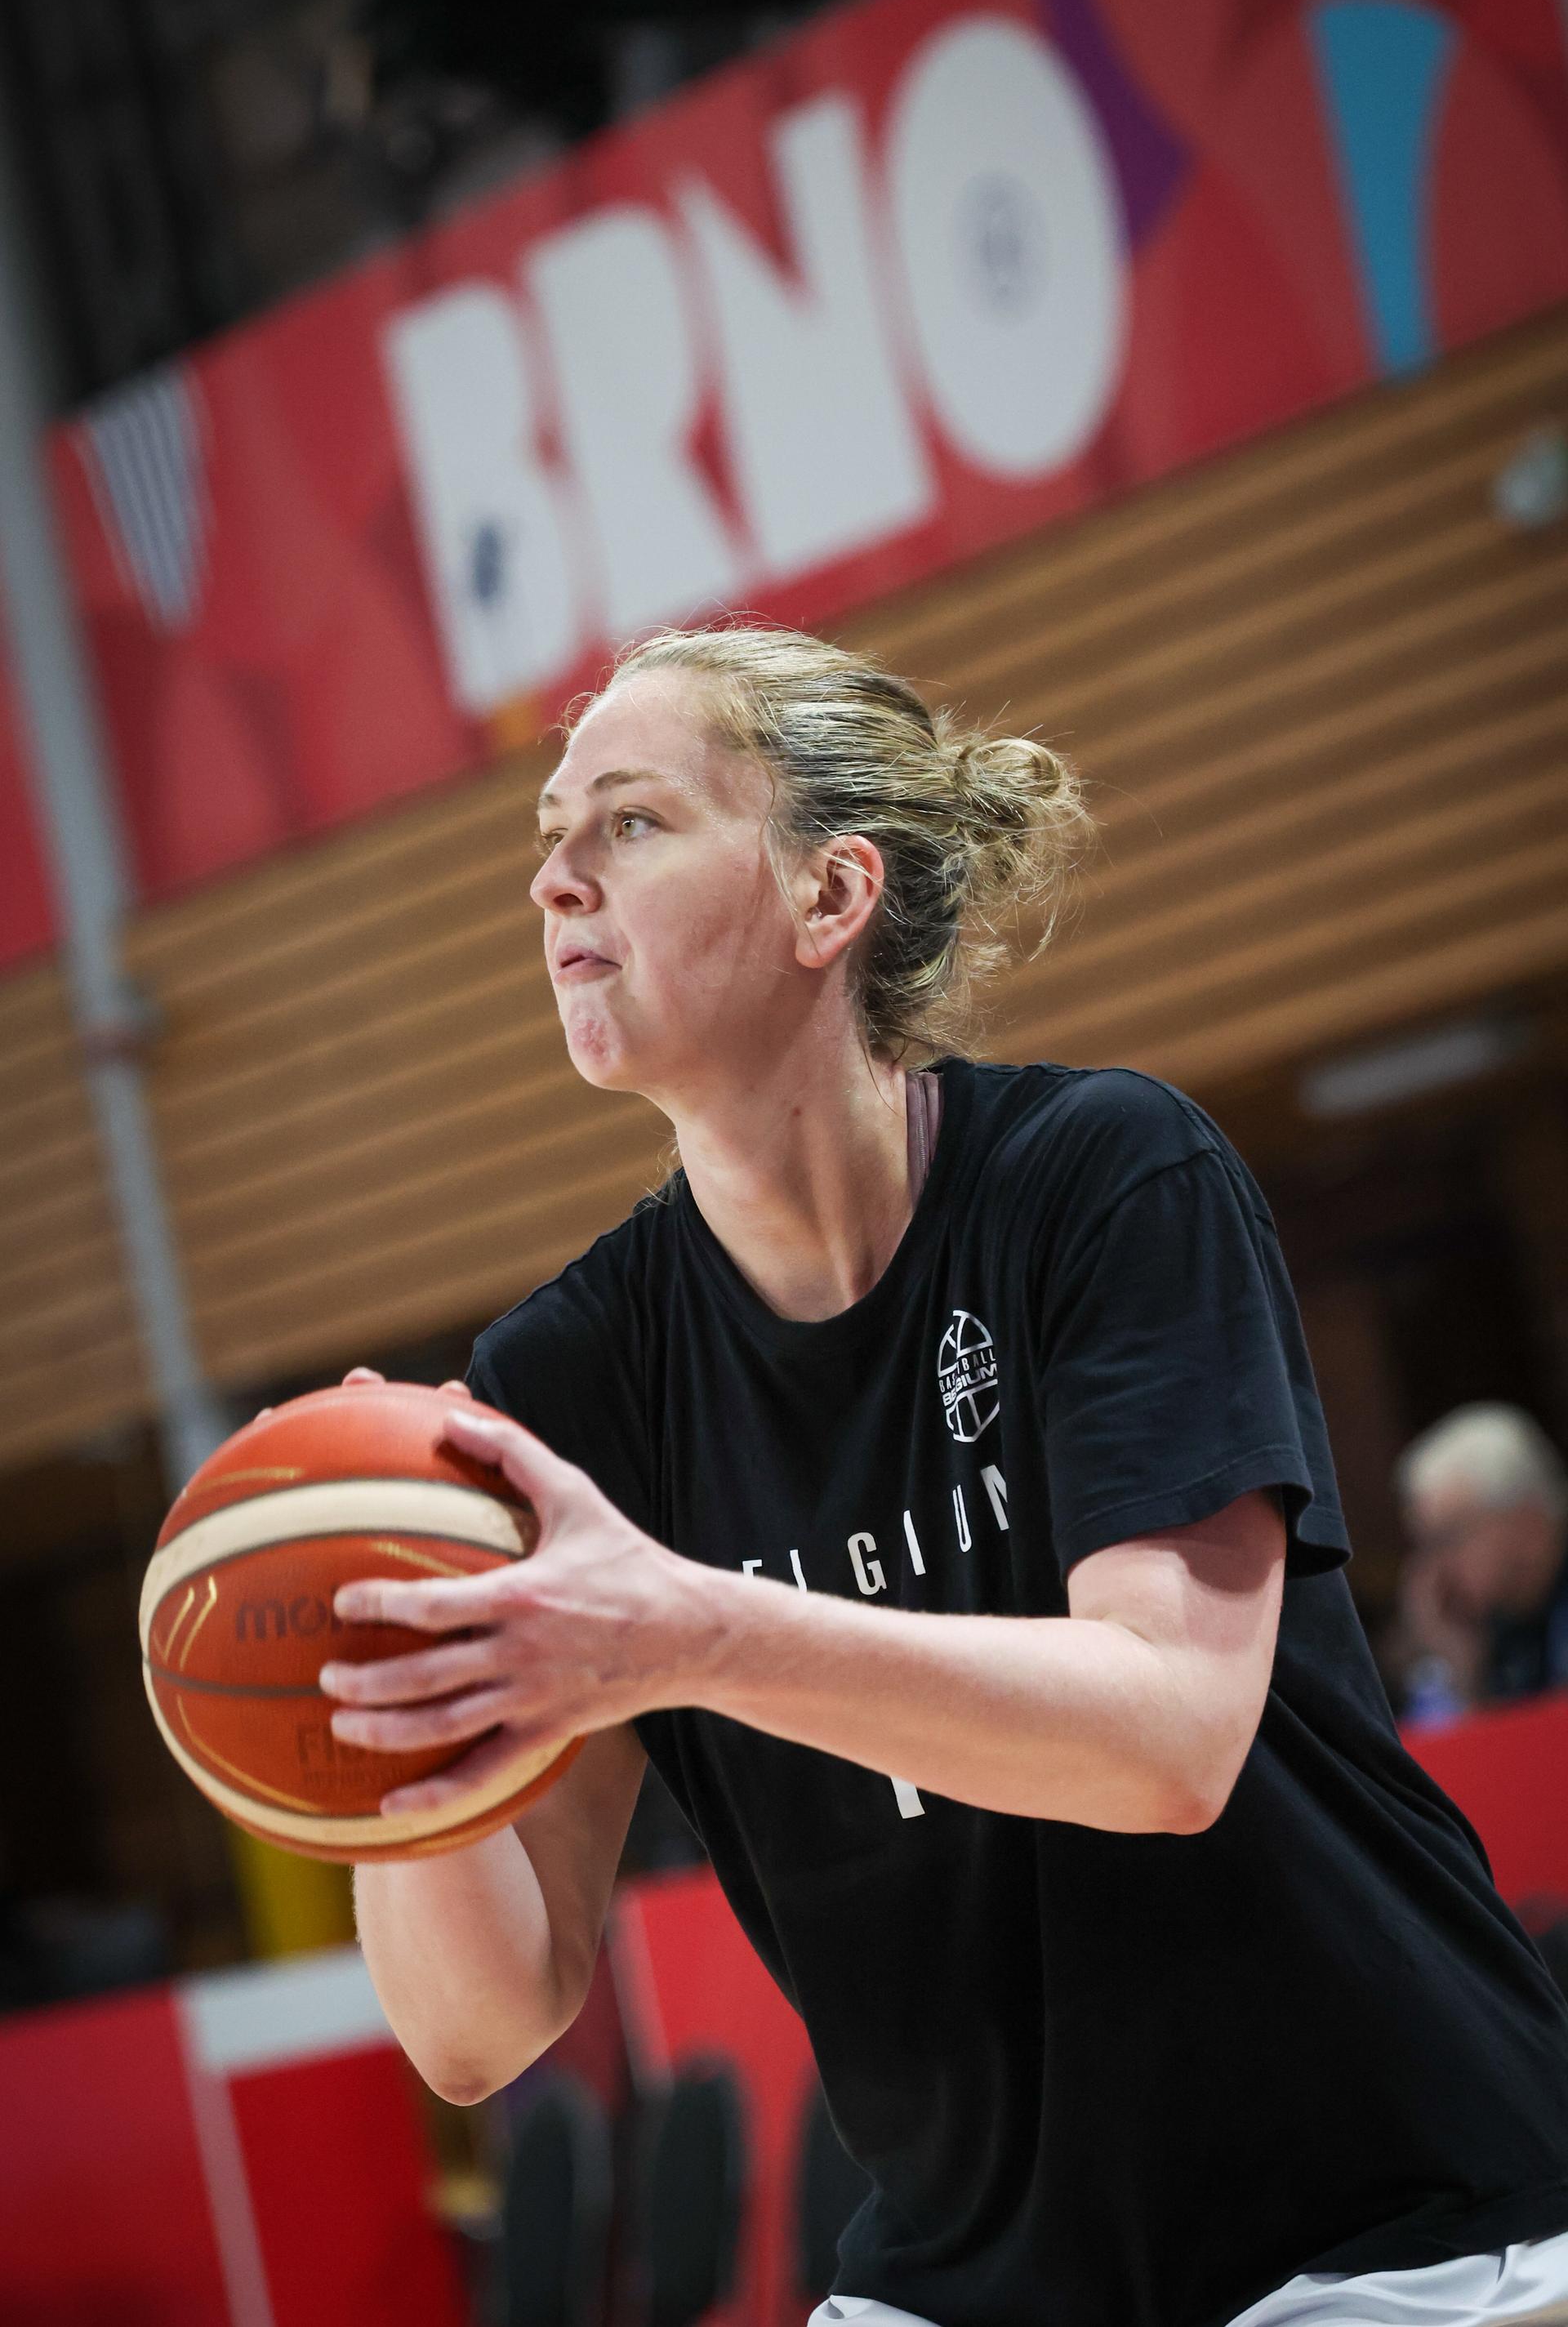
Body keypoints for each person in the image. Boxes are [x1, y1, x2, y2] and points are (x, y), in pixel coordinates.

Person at [318, 626, 1568, 2327]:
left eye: (632, 822)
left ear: (831, 894)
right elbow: (481, 2027)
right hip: (973, 2277)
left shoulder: (1105, 1180)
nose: (556, 880)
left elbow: (1168, 1736)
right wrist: (385, 1723)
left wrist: (688, 1628)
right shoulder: (572, 1382)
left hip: (1381, 2223)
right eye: (551, 836)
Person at [1392, 1402, 1568, 1716]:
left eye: (1449, 1539)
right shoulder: (1495, 1626)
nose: (1436, 1569)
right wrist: (1463, 1669)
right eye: (1426, 1547)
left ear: (1528, 1522)